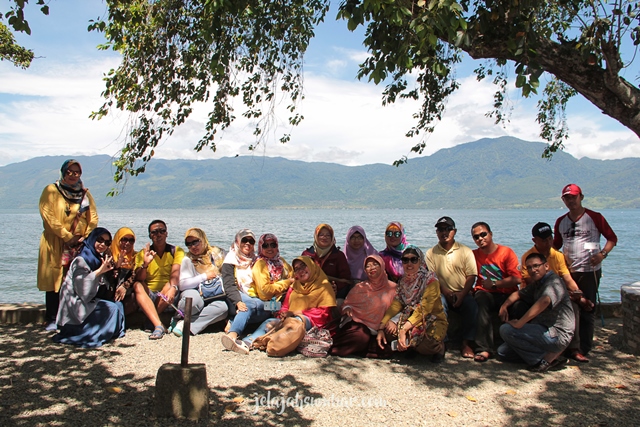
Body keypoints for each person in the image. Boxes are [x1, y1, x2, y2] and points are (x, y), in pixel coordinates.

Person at [553, 184, 618, 357]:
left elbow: (612, 238)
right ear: (563, 200)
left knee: (588, 309)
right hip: (568, 272)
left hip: (590, 271)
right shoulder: (561, 221)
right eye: (567, 198)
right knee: (570, 308)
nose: (571, 200)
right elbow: (556, 245)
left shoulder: (595, 217)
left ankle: (584, 347)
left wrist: (602, 254)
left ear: (581, 197)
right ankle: (571, 346)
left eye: (574, 197)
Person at [37, 159, 99, 331]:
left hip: (78, 244)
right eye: (70, 171)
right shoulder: (51, 191)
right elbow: (48, 217)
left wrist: (84, 237)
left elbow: (93, 218)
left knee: (74, 280)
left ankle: (73, 316)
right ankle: (51, 317)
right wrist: (66, 236)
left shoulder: (85, 194)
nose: (73, 175)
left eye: (76, 172)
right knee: (54, 281)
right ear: (63, 172)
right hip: (56, 242)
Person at [522, 222, 589, 362]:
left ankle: (573, 348)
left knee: (574, 306)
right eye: (543, 240)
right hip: (536, 294)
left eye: (550, 239)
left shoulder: (557, 256)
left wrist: (578, 294)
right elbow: (531, 282)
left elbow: (567, 278)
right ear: (535, 240)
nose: (548, 243)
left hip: (556, 294)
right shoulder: (528, 257)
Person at [497, 253, 575, 372]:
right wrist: (504, 305)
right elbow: (518, 293)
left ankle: (546, 360)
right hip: (542, 329)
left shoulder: (554, 282)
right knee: (502, 353)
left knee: (506, 330)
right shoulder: (538, 283)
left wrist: (520, 323)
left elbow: (545, 301)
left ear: (546, 266)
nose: (533, 270)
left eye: (536, 266)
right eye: (529, 267)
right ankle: (546, 355)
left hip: (557, 333)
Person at [246, 256, 337, 354]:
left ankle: (273, 345)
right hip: (286, 315)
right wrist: (282, 314)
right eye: (297, 269)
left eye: (303, 266)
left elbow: (323, 314)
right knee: (270, 321)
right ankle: (247, 342)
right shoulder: (294, 285)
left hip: (311, 322)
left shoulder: (324, 286)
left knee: (295, 322)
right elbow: (285, 306)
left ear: (311, 266)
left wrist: (295, 313)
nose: (301, 271)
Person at [53, 227, 125, 348]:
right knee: (111, 308)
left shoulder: (97, 259)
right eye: (100, 240)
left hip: (88, 299)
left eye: (107, 243)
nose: (103, 244)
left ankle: (110, 332)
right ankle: (87, 333)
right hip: (76, 303)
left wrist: (114, 268)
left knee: (118, 305)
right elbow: (83, 290)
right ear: (92, 239)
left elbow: (106, 287)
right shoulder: (81, 260)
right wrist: (99, 272)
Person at [376, 246, 447, 362]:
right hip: (409, 318)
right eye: (405, 260)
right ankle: (411, 346)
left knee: (426, 346)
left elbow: (425, 309)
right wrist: (382, 325)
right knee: (388, 332)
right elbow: (397, 303)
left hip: (430, 319)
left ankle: (440, 347)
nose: (409, 263)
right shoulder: (404, 281)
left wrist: (403, 330)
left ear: (421, 261)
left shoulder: (430, 279)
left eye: (413, 260)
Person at [425, 216, 478, 359]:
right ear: (436, 233)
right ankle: (442, 342)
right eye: (441, 229)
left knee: (472, 306)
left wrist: (462, 294)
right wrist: (446, 291)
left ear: (454, 231)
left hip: (463, 291)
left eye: (448, 229)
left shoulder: (465, 251)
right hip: (442, 292)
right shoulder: (431, 253)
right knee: (439, 304)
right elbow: (432, 277)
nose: (444, 232)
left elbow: (472, 276)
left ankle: (466, 343)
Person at [471, 221, 522, 362]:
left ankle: (518, 345)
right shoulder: (473, 255)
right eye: (476, 237)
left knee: (520, 307)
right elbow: (467, 275)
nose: (480, 239)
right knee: (480, 302)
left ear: (491, 234)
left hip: (507, 293)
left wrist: (495, 284)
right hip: (485, 293)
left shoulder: (506, 252)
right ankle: (484, 348)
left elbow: (517, 279)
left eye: (483, 234)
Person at [331, 254, 396, 357]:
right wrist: (347, 308)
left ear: (382, 266)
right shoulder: (360, 287)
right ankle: (332, 347)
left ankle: (362, 348)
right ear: (365, 270)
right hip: (358, 323)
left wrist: (393, 321)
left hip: (380, 328)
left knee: (386, 349)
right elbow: (347, 304)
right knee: (361, 336)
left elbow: (400, 307)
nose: (372, 268)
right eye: (368, 266)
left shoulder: (393, 288)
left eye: (375, 264)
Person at [132, 220, 185, 340]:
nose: (158, 235)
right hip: (149, 295)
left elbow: (175, 273)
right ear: (150, 236)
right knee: (137, 285)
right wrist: (145, 264)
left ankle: (152, 321)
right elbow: (140, 278)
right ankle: (158, 325)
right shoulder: (143, 253)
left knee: (169, 283)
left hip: (168, 295)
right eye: (154, 232)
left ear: (167, 233)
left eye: (162, 231)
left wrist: (173, 288)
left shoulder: (176, 251)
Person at [220, 229, 270, 355]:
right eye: (244, 240)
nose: (248, 243)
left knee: (274, 308)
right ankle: (232, 335)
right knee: (250, 305)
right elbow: (229, 285)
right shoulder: (231, 259)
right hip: (237, 296)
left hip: (257, 298)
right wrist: (237, 302)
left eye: (251, 241)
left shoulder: (257, 260)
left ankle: (235, 323)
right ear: (237, 241)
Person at [172, 228, 229, 336]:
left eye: (195, 242)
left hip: (212, 292)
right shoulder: (187, 260)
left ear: (203, 239)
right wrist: (204, 276)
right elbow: (183, 285)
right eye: (188, 244)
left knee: (222, 308)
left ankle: (185, 324)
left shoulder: (216, 254)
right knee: (194, 301)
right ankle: (179, 316)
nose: (193, 246)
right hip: (193, 291)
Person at [302, 224, 352, 301]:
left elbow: (346, 279)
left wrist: (336, 286)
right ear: (316, 237)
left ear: (332, 237)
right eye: (321, 235)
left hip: (332, 293)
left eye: (328, 235)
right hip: (310, 291)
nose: (324, 237)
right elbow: (300, 275)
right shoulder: (307, 254)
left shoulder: (338, 255)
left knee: (339, 304)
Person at [249, 233, 293, 301]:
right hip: (271, 302)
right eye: (265, 246)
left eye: (273, 245)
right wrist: (287, 282)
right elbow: (265, 291)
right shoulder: (260, 264)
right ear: (260, 247)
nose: (270, 249)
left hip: (286, 295)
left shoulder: (281, 261)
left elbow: (293, 276)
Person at [109, 227, 138, 314]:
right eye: (124, 239)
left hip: (126, 291)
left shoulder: (135, 256)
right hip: (110, 290)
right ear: (118, 239)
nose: (127, 243)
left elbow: (136, 275)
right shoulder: (109, 253)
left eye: (131, 240)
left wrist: (125, 286)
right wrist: (117, 265)